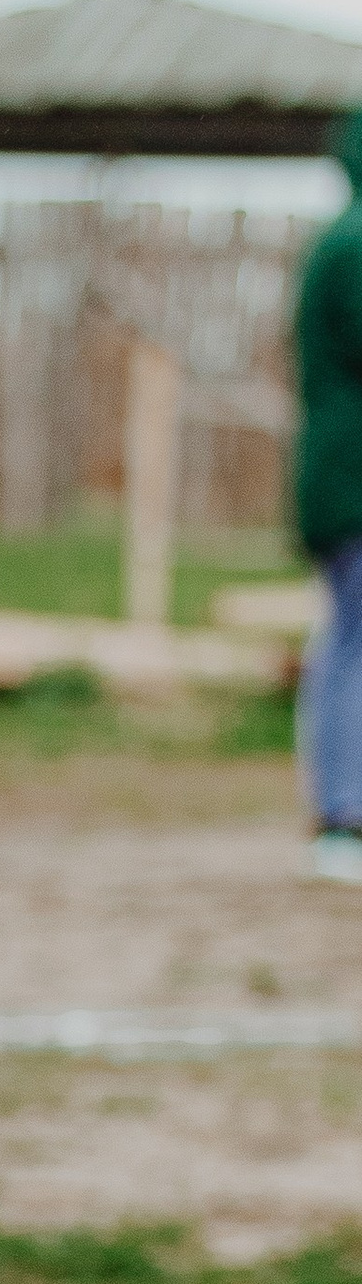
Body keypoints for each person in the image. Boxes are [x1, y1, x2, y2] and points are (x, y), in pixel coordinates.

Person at [297, 111, 362, 883]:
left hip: (341, 477)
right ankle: (342, 815)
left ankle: (341, 809)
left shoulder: (340, 239)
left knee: (346, 637)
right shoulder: (355, 246)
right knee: (354, 642)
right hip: (353, 482)